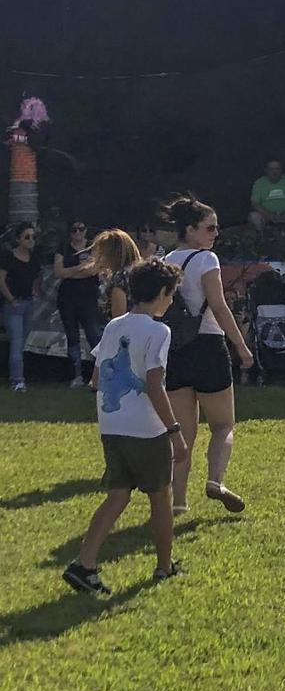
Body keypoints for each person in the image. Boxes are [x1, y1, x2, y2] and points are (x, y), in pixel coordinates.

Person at [61, 258, 189, 594]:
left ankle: (84, 563)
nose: (172, 301)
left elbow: (97, 377)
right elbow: (154, 384)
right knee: (161, 496)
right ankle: (164, 566)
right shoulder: (159, 331)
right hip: (145, 429)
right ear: (163, 293)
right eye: (171, 295)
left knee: (117, 495)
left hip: (111, 423)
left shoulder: (114, 325)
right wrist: (174, 431)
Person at [161, 195, 254, 517]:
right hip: (208, 346)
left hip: (175, 350)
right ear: (191, 229)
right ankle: (215, 481)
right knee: (223, 424)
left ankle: (178, 501)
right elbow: (218, 305)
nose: (215, 234)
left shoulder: (166, 260)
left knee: (183, 434)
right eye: (209, 228)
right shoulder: (206, 260)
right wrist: (241, 346)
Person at [54, 221, 102, 387]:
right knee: (72, 337)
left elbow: (94, 270)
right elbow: (58, 272)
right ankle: (76, 376)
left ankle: (100, 375)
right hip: (67, 298)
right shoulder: (64, 248)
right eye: (74, 229)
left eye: (81, 229)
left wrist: (71, 272)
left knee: (94, 335)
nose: (78, 233)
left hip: (88, 297)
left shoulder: (92, 247)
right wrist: (80, 268)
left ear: (86, 231)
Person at [0, 222, 41, 391]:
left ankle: (16, 376)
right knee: (16, 342)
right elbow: (1, 280)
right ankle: (17, 380)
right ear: (18, 239)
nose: (31, 240)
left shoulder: (34, 259)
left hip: (28, 304)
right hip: (14, 305)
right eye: (27, 237)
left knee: (22, 341)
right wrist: (10, 299)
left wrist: (35, 291)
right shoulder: (8, 257)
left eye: (33, 237)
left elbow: (38, 277)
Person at [248, 159, 285, 251]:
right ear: (266, 170)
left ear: (281, 170)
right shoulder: (259, 183)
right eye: (271, 169)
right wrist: (269, 215)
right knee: (253, 216)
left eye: (277, 168)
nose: (274, 171)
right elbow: (254, 204)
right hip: (267, 216)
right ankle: (261, 243)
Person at [91, 229, 142, 320]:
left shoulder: (119, 278)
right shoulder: (139, 272)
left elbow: (118, 318)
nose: (99, 257)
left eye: (102, 253)